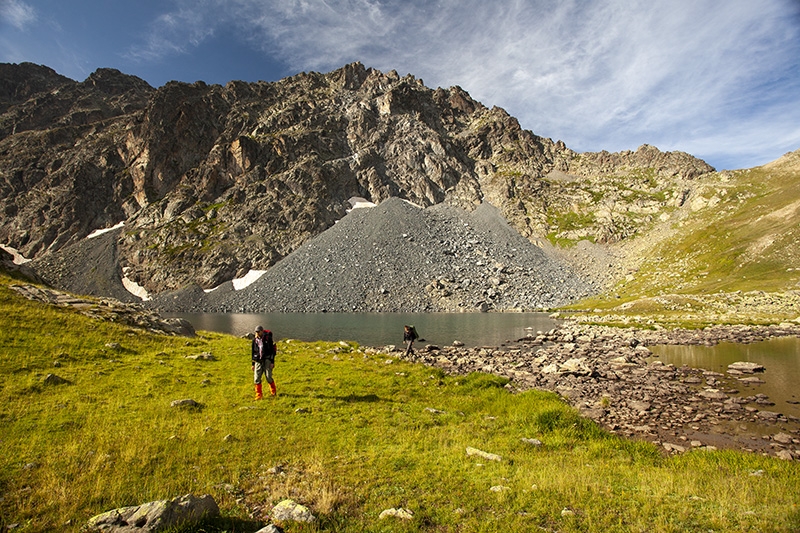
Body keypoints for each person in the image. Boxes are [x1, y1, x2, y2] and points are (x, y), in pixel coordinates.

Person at [251, 325, 277, 399]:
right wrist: (253, 364)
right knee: (256, 378)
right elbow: (253, 352)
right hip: (258, 361)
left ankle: (273, 392)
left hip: (267, 360)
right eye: (256, 332)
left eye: (258, 331)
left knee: (268, 377)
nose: (257, 333)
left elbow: (272, 351)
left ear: (262, 331)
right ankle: (258, 395)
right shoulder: (254, 340)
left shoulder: (268, 339)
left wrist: (272, 362)